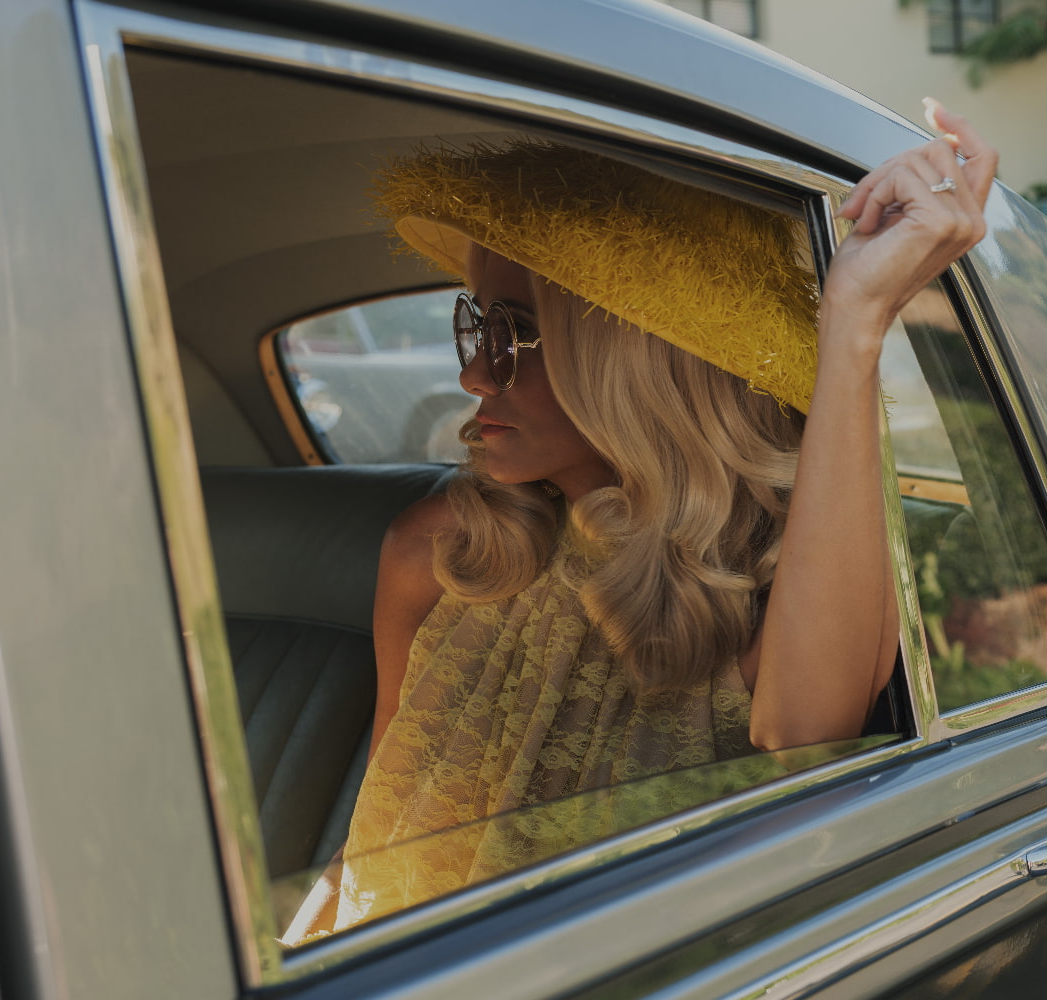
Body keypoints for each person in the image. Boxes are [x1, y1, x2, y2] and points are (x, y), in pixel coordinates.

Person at [306, 107, 998, 934]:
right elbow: (380, 831)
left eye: (514, 334)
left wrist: (855, 322)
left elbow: (807, 735)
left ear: (630, 358)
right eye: (475, 325)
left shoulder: (761, 580)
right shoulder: (441, 551)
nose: (475, 375)